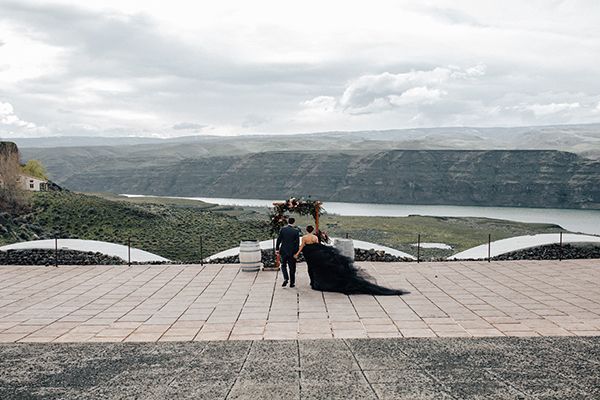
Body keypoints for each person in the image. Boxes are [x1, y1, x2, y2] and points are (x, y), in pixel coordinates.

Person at [295, 226, 407, 296]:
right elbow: (318, 245)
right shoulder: (314, 237)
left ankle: (313, 281)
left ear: (306, 230)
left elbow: (302, 246)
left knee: (311, 268)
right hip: (316, 252)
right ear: (312, 230)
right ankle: (314, 281)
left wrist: (296, 254)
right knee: (316, 268)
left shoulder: (304, 237)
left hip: (309, 253)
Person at [276, 217, 301, 287]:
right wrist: (296, 253)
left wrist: (277, 249)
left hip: (283, 251)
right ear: (294, 222)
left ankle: (286, 278)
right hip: (292, 252)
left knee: (283, 265)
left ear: (288, 222)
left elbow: (279, 240)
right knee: (292, 267)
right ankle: (292, 283)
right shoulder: (296, 231)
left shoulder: (283, 230)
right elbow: (297, 243)